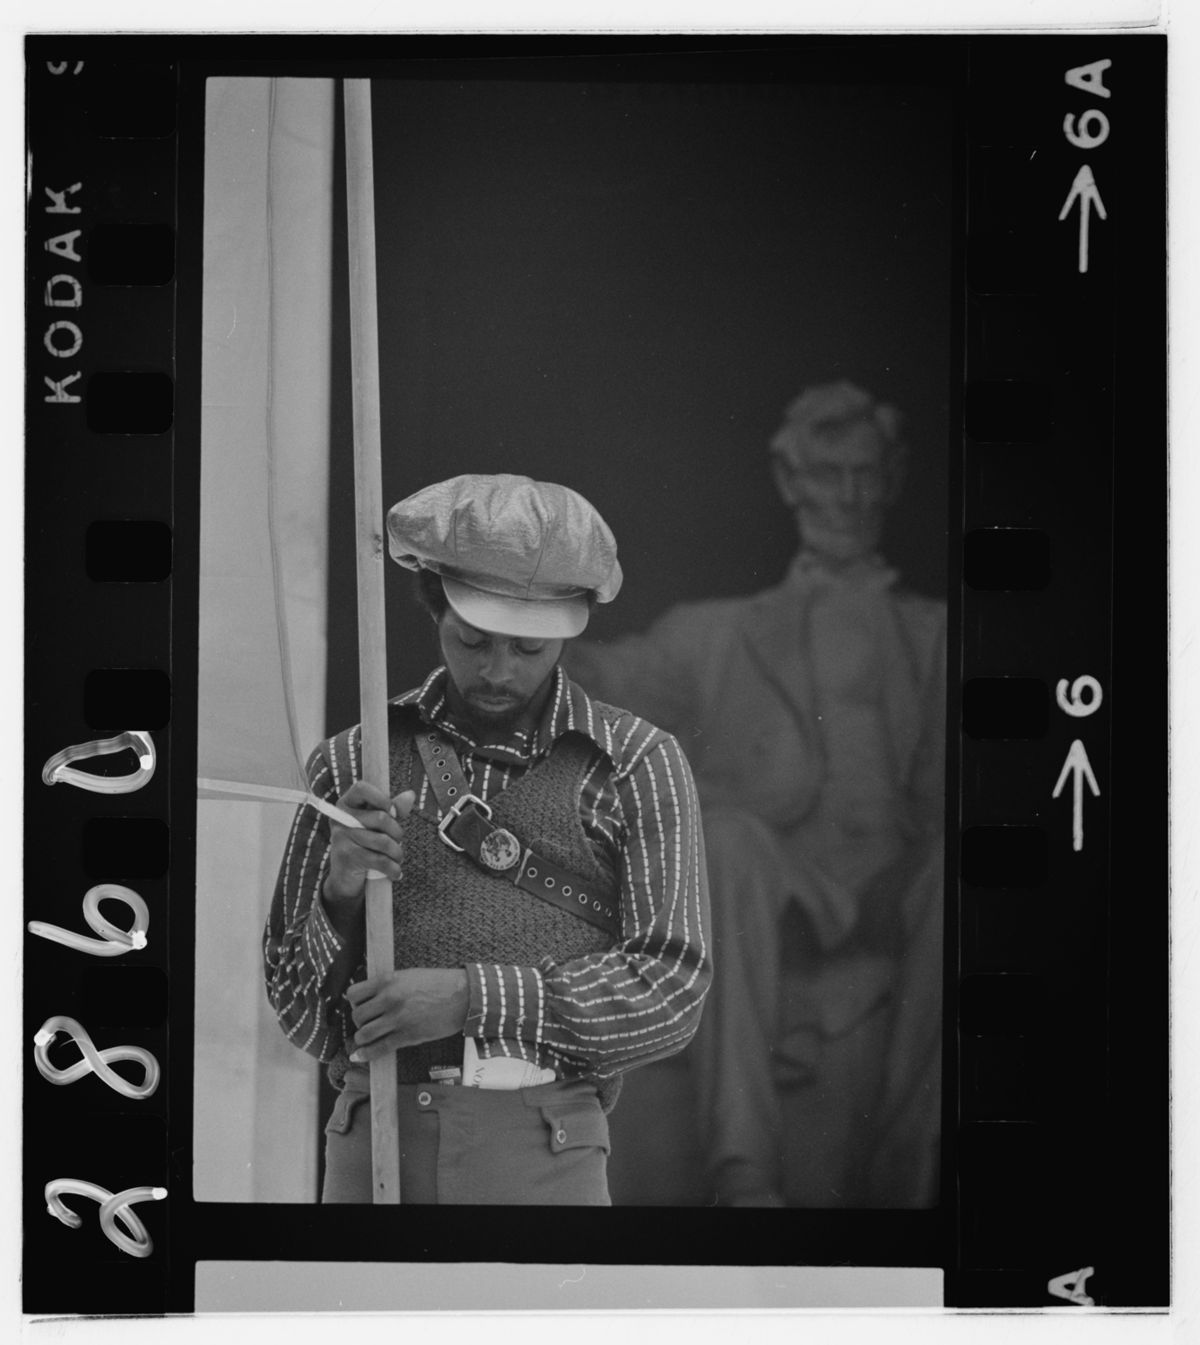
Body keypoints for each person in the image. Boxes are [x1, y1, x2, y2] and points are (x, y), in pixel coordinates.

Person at [263, 473, 710, 1205]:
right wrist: (339, 893)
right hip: (371, 1144)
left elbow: (670, 992)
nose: (498, 671)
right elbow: (301, 1018)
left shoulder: (635, 764)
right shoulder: (353, 762)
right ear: (434, 603)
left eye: (529, 649)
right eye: (471, 640)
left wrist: (471, 998)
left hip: (544, 1146)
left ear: (570, 632)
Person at [567, 381, 945, 1208]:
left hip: (901, 878)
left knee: (959, 872)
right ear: (789, 480)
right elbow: (612, 675)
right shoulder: (718, 631)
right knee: (726, 838)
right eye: (827, 472)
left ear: (893, 477)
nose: (847, 496)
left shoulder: (942, 632)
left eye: (865, 474)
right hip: (779, 880)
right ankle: (746, 1174)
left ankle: (911, 1191)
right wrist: (525, 616)